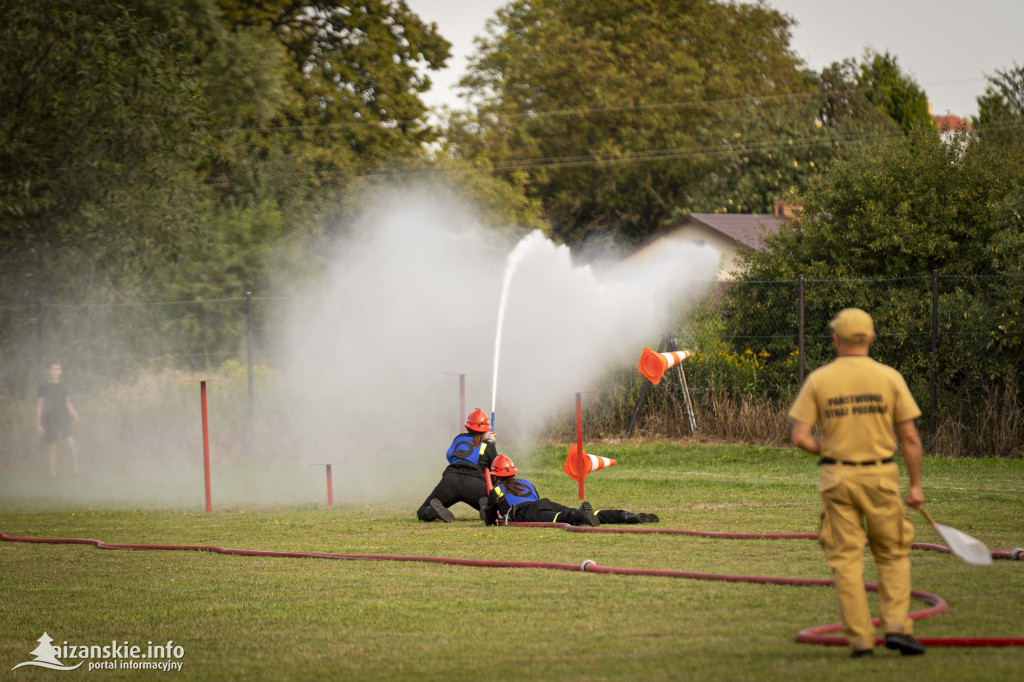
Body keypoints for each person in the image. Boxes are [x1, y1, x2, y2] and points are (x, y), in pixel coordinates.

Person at [789, 308, 926, 659]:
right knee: (892, 554)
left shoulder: (820, 379)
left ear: (835, 340)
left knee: (846, 562)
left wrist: (828, 450)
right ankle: (896, 626)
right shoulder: (890, 377)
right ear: (871, 338)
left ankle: (861, 643)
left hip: (837, 478)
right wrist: (914, 487)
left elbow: (801, 437)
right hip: (880, 477)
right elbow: (909, 438)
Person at [478, 454, 659, 527]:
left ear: (495, 475)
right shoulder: (526, 482)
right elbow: (537, 499)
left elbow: (489, 519)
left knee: (563, 517)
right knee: (576, 512)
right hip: (543, 503)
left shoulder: (497, 491)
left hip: (526, 512)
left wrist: (486, 509)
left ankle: (578, 515)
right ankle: (626, 516)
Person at [416, 408, 498, 522]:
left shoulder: (459, 438)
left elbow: (450, 456)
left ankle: (431, 511)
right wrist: (491, 443)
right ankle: (487, 508)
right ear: (485, 428)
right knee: (496, 509)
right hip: (475, 484)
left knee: (422, 511)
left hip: (451, 480)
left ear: (468, 426)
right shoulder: (488, 444)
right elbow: (496, 468)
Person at [36, 360, 80, 476]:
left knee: (71, 444)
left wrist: (75, 414)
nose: (54, 372)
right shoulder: (43, 387)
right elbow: (40, 406)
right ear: (47, 371)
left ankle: (75, 470)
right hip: (49, 419)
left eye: (57, 369)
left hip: (64, 418)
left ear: (60, 371)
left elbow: (68, 402)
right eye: (52, 369)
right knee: (52, 448)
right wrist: (38, 424)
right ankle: (52, 474)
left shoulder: (64, 386)